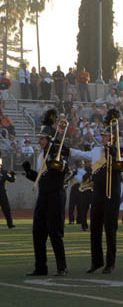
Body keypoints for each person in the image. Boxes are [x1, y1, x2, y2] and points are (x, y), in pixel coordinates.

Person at [69, 108, 123, 274]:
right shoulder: (96, 151)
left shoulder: (119, 149)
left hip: (112, 193)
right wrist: (67, 150)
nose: (102, 138)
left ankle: (110, 263)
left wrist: (114, 153)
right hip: (98, 194)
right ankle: (96, 261)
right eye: (102, 136)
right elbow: (82, 155)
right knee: (95, 228)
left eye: (105, 136)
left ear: (112, 138)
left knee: (110, 229)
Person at [23, 109, 68, 276]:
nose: (39, 141)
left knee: (55, 232)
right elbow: (40, 178)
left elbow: (63, 168)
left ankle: (62, 267)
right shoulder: (41, 156)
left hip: (56, 195)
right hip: (43, 195)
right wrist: (29, 172)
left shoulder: (58, 151)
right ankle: (40, 267)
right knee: (38, 232)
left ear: (49, 140)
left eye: (42, 138)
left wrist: (57, 154)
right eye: (40, 138)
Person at [0, 153, 16, 228]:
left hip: (2, 193)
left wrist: (13, 175)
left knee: (6, 209)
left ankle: (10, 224)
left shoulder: (4, 172)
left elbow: (12, 180)